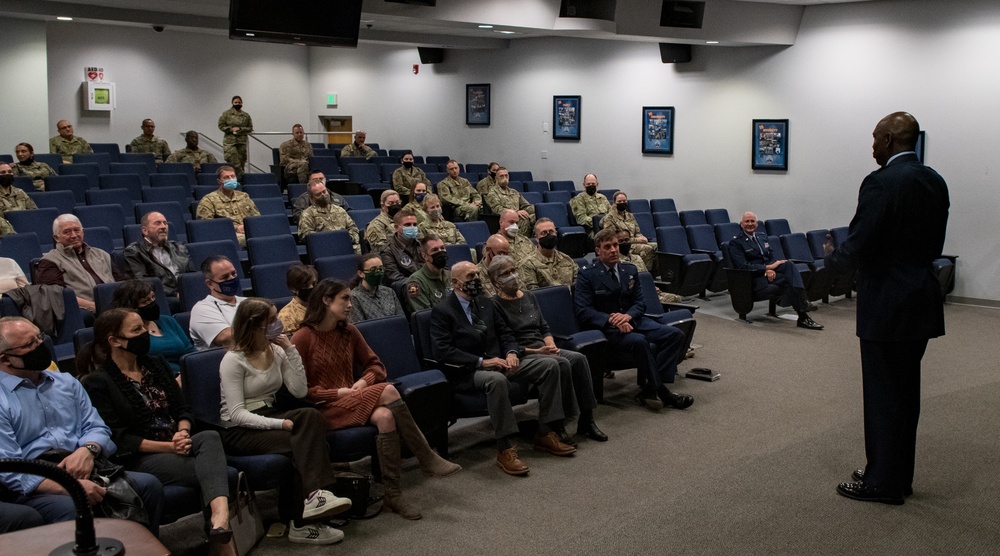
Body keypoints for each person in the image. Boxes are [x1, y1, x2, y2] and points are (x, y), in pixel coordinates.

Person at [825, 112, 949, 505]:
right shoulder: (934, 180)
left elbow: (861, 243)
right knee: (905, 393)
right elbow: (933, 244)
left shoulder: (880, 183)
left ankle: (883, 482)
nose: (873, 146)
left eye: (876, 139)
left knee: (882, 395)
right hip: (920, 297)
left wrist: (830, 259)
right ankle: (893, 470)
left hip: (887, 303)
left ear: (892, 139)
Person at [291, 279, 461, 520]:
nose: (350, 304)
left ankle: (393, 494)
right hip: (323, 409)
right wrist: (337, 393)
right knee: (389, 392)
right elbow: (299, 391)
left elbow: (376, 366)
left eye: (350, 298)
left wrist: (362, 383)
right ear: (326, 300)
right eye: (345, 299)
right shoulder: (303, 337)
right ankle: (426, 456)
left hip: (354, 398)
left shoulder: (348, 331)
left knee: (385, 416)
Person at [77, 309, 231, 548]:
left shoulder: (156, 365)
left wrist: (182, 432)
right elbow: (120, 438)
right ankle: (221, 538)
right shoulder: (98, 382)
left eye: (144, 328)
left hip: (178, 442)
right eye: (136, 330)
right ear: (115, 341)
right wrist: (170, 447)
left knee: (209, 436)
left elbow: (183, 408)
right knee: (219, 473)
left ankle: (218, 521)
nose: (145, 334)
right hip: (141, 456)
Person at [0, 317, 163, 533]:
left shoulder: (66, 382)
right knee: (74, 505)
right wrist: (70, 486)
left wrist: (88, 450)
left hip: (85, 465)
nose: (40, 346)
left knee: (148, 485)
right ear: (5, 359)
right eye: (29, 345)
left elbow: (98, 427)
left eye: (39, 338)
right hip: (37, 482)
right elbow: (11, 468)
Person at [217, 298, 351, 545]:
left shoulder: (276, 350)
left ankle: (313, 499)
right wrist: (279, 425)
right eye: (272, 320)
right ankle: (302, 520)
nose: (279, 323)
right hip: (239, 429)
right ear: (256, 326)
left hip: (270, 414)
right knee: (304, 443)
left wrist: (290, 350)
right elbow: (236, 413)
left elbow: (299, 391)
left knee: (310, 416)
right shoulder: (233, 360)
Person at [430, 261, 574, 477]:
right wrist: (482, 362)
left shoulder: (485, 304)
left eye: (478, 275)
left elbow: (506, 334)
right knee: (496, 381)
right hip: (467, 370)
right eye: (471, 277)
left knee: (551, 365)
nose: (476, 280)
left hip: (500, 361)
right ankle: (504, 448)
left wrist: (512, 353)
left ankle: (544, 431)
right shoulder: (443, 311)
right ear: (455, 282)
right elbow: (443, 352)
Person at [488, 256, 606, 443]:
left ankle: (587, 420)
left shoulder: (528, 296)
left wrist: (550, 344)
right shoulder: (494, 305)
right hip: (523, 354)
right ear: (496, 281)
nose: (512, 275)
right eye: (505, 274)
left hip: (543, 348)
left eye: (513, 270)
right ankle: (557, 423)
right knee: (560, 363)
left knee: (578, 358)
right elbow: (505, 342)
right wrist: (537, 352)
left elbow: (543, 327)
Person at [575, 229, 694, 411]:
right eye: (608, 247)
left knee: (676, 335)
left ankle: (649, 389)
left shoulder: (628, 270)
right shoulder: (587, 275)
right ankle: (663, 392)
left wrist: (628, 316)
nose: (614, 250)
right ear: (598, 251)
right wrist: (613, 320)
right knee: (639, 341)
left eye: (615, 245)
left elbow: (640, 303)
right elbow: (584, 311)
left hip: (635, 320)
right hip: (609, 329)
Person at [727, 211, 823, 330]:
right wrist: (766, 269)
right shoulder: (736, 242)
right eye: (747, 221)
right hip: (752, 279)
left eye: (752, 221)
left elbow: (770, 256)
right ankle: (803, 313)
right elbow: (743, 266)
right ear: (741, 224)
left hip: (767, 273)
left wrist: (770, 266)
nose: (750, 224)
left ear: (757, 224)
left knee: (788, 265)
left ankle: (803, 309)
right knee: (788, 280)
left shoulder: (762, 236)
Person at [37, 214, 125, 314]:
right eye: (67, 232)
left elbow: (120, 281)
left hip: (115, 306)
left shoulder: (101, 254)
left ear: (82, 232)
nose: (74, 235)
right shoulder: (50, 261)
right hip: (86, 310)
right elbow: (56, 295)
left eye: (77, 230)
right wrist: (95, 306)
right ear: (57, 238)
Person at [109, 279, 193, 378]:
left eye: (153, 297)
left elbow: (190, 351)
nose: (152, 303)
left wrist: (190, 372)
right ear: (131, 306)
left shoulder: (168, 321)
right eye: (145, 301)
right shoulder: (131, 333)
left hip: (186, 375)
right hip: (158, 378)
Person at [123, 211, 193, 299]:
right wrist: (175, 294)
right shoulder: (134, 251)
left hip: (186, 294)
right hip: (160, 297)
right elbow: (143, 283)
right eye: (157, 223)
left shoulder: (179, 247)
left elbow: (192, 275)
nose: (163, 227)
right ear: (145, 230)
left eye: (165, 223)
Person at [189, 255, 246, 350]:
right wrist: (261, 326)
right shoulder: (202, 309)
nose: (231, 279)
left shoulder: (247, 301)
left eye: (233, 274)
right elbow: (225, 337)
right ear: (210, 284)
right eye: (225, 277)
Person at [196, 165, 260, 246]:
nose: (231, 179)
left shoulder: (244, 196)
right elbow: (206, 226)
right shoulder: (208, 200)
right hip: (228, 235)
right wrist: (236, 228)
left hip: (250, 230)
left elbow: (257, 217)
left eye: (233, 176)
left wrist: (249, 226)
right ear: (219, 181)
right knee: (251, 240)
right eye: (226, 177)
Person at [296, 175, 360, 253]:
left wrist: (346, 239)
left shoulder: (340, 210)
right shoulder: (308, 214)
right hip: (325, 249)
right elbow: (307, 235)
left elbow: (353, 228)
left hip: (345, 246)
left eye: (324, 191)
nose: (323, 195)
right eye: (318, 194)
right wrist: (330, 241)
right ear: (311, 197)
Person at [600, 191, 656, 272]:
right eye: (619, 201)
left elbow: (637, 232)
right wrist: (636, 240)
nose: (622, 203)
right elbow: (612, 238)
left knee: (656, 246)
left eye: (624, 201)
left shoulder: (630, 215)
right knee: (647, 249)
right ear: (614, 203)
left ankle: (655, 275)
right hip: (622, 245)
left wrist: (642, 238)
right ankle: (645, 273)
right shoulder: (609, 218)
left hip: (634, 242)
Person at [520, 218, 578, 289]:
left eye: (551, 232)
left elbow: (578, 284)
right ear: (537, 238)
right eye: (544, 233)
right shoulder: (528, 264)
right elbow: (533, 293)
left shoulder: (567, 259)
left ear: (556, 233)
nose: (549, 235)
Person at [349, 254, 404, 323]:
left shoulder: (389, 292)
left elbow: (401, 320)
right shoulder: (354, 297)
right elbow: (359, 327)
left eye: (381, 269)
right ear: (361, 273)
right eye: (373, 270)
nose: (378, 272)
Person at [404, 235, 451, 313]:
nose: (440, 252)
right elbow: (424, 314)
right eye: (435, 250)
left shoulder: (451, 275)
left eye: (442, 248)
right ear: (424, 256)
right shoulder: (414, 282)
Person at [485, 167, 535, 235]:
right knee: (524, 219)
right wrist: (516, 212)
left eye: (506, 175)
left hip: (518, 217)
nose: (504, 177)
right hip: (504, 220)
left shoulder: (514, 192)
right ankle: (520, 241)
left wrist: (537, 209)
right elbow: (497, 209)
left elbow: (526, 205)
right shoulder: (492, 193)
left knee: (536, 216)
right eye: (501, 176)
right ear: (496, 178)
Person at [380, 208, 422, 285]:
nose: (412, 227)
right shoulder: (387, 250)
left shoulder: (422, 244)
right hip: (407, 288)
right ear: (396, 227)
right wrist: (421, 282)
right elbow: (394, 277)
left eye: (415, 225)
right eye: (407, 225)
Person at [217, 96, 253, 178]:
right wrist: (230, 129)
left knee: (241, 160)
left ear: (242, 103)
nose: (237, 104)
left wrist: (240, 128)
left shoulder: (246, 115)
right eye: (235, 102)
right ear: (232, 103)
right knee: (232, 160)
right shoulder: (226, 114)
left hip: (241, 141)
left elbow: (250, 128)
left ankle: (240, 179)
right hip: (230, 141)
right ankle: (236, 176)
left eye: (239, 102)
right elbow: (221, 125)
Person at [276, 264, 317, 336]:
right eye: (305, 285)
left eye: (314, 284)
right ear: (293, 288)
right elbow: (290, 344)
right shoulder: (286, 315)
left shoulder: (324, 305)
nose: (311, 288)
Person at [569, 173, 611, 238]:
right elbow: (581, 219)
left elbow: (611, 213)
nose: (591, 186)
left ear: (597, 184)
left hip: (607, 228)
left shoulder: (603, 198)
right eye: (588, 184)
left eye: (593, 184)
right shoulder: (579, 199)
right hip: (592, 231)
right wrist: (599, 222)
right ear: (584, 185)